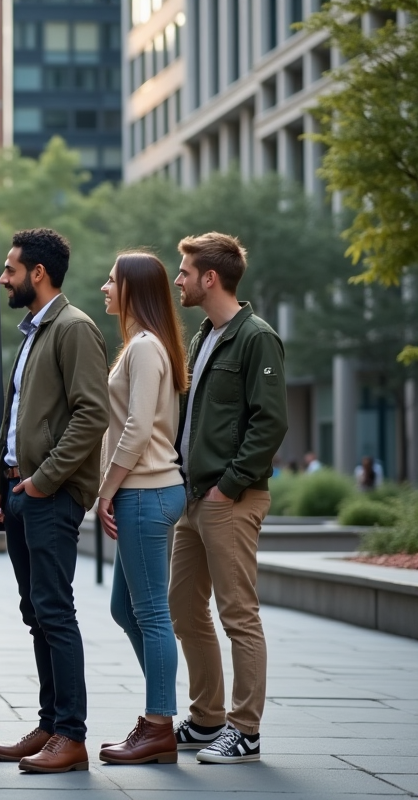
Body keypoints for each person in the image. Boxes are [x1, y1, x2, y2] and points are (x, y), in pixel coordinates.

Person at [0, 229, 109, 773]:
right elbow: (18, 417)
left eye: (10, 269)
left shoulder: (74, 329)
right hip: (20, 491)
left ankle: (72, 737)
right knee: (36, 612)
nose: (3, 277)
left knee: (55, 612)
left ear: (38, 273)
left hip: (48, 495)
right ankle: (50, 723)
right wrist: (0, 480)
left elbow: (91, 414)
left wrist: (44, 480)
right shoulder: (36, 331)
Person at [169, 232, 288, 764]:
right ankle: (207, 717)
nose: (178, 280)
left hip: (228, 499)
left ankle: (246, 730)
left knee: (238, 614)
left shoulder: (256, 336)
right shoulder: (205, 335)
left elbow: (270, 423)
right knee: (182, 608)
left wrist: (229, 486)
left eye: (185, 271)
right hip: (194, 499)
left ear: (209, 278)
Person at [95, 252, 189, 765]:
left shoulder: (147, 348)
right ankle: (161, 713)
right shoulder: (141, 346)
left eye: (111, 281)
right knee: (124, 609)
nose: (104, 287)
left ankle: (158, 726)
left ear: (132, 289)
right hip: (144, 490)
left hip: (145, 491)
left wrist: (106, 490)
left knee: (151, 613)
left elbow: (135, 429)